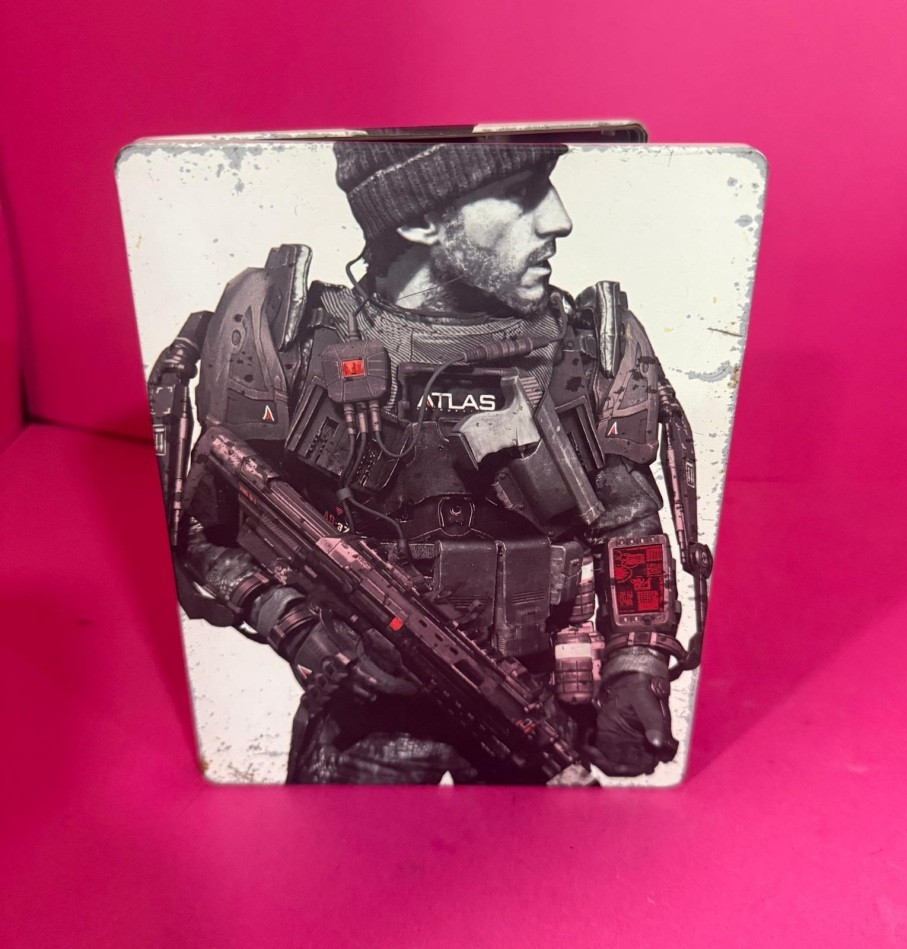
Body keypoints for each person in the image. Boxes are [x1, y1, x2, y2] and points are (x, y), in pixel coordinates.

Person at [161, 138, 706, 784]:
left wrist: (635, 669)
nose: (559, 219)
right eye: (520, 193)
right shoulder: (296, 346)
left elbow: (632, 531)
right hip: (365, 715)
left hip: (532, 710)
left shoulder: (582, 349)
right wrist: (293, 623)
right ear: (419, 220)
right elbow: (209, 526)